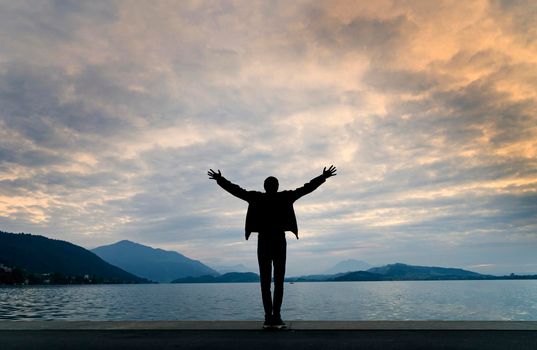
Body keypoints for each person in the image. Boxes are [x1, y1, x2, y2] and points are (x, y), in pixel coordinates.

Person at [207, 165, 337, 328]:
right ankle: (276, 317)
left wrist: (220, 179)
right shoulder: (285, 197)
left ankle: (269, 317)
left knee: (265, 282)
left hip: (264, 242)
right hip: (279, 242)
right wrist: (323, 176)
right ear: (277, 186)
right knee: (278, 282)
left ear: (265, 187)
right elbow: (306, 188)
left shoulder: (257, 198)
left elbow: (236, 191)